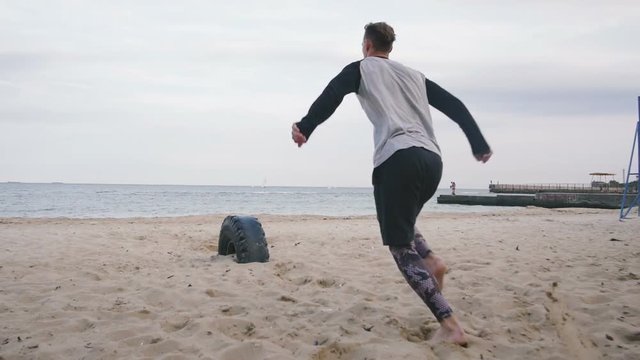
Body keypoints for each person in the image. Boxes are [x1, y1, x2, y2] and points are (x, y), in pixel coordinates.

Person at [291, 22, 492, 346]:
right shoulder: (413, 75)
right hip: (432, 160)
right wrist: (478, 143)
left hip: (397, 158)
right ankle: (432, 262)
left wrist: (305, 127)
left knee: (400, 247)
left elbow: (332, 94)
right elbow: (454, 105)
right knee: (402, 221)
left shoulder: (362, 68)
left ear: (367, 45)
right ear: (390, 47)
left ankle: (451, 326)